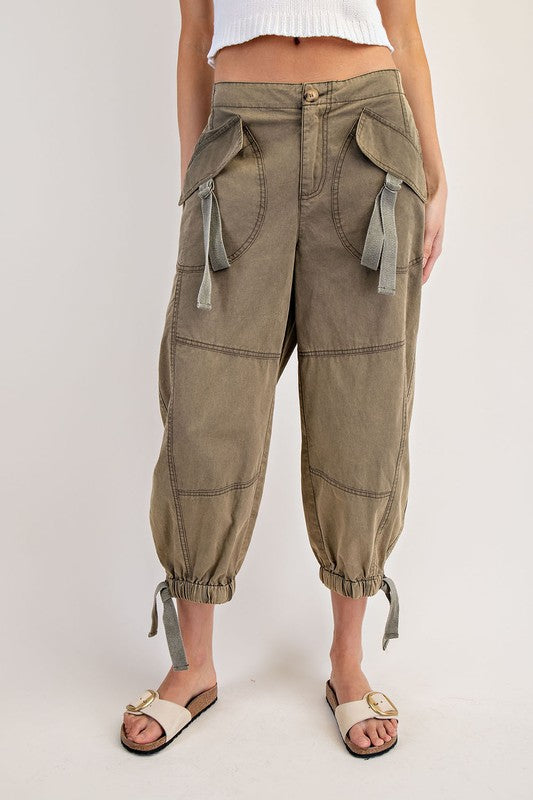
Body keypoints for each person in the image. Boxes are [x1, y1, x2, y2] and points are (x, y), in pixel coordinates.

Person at [120, 0, 446, 758]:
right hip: (240, 136)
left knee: (363, 409)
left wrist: (434, 175)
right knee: (205, 401)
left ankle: (347, 663)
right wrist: (194, 180)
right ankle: (192, 664)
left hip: (369, 138)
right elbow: (196, 35)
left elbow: (403, 31)